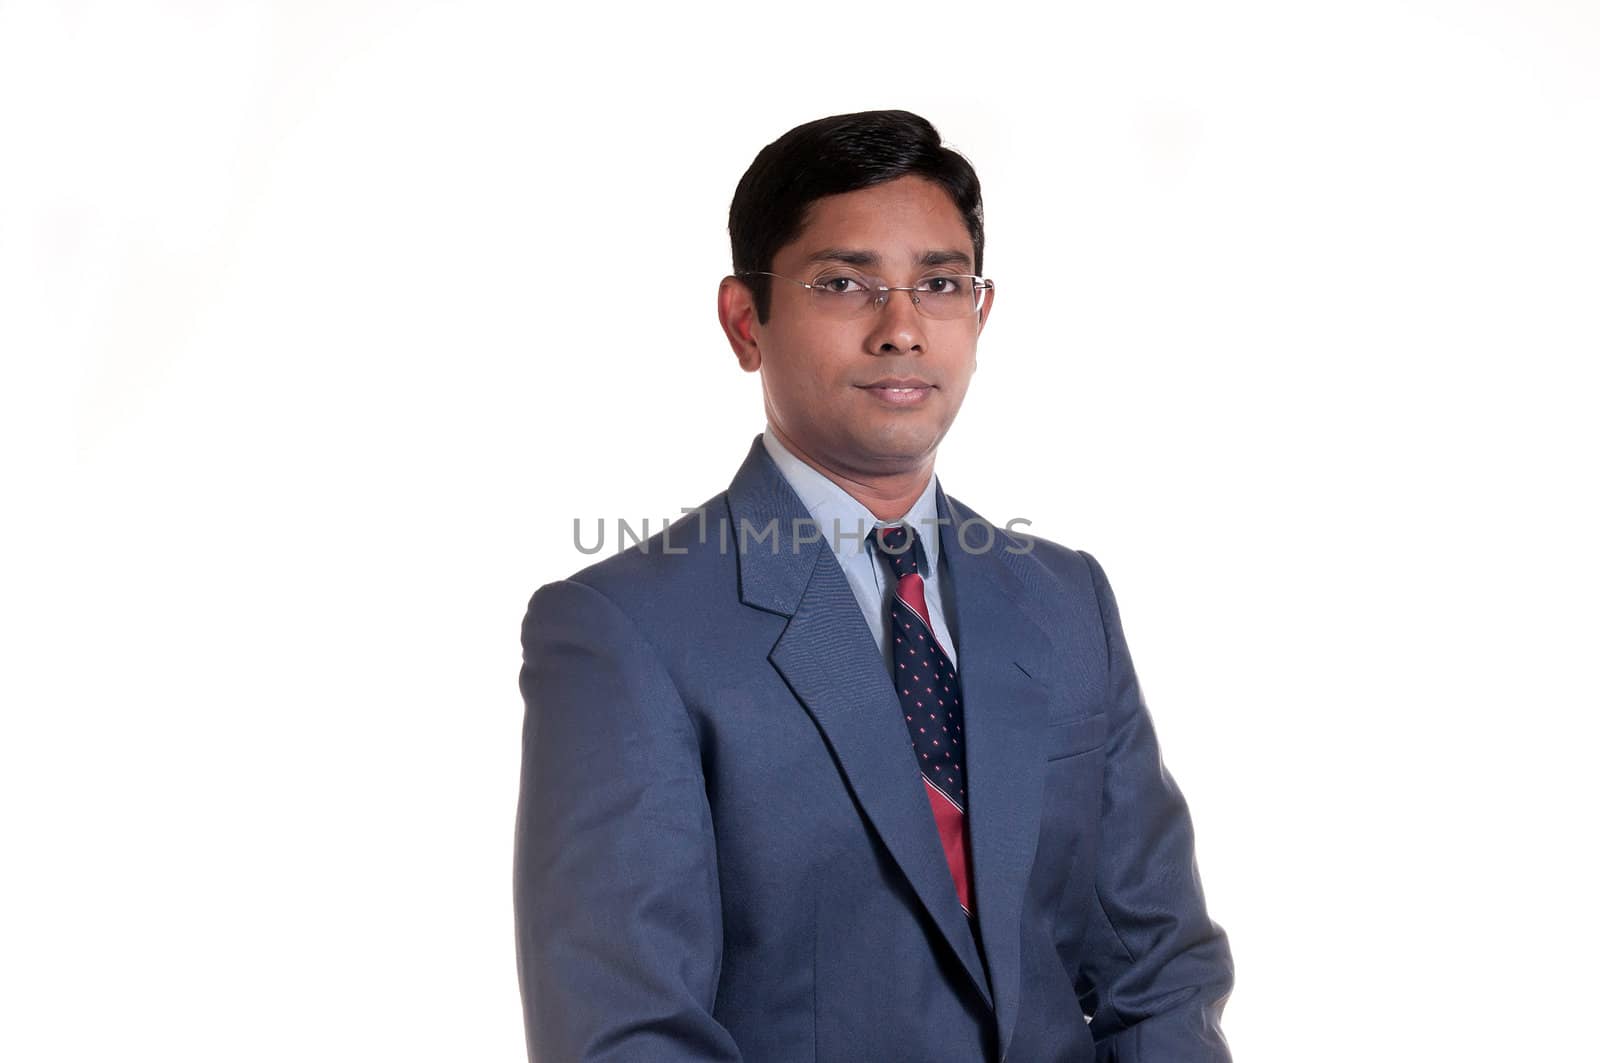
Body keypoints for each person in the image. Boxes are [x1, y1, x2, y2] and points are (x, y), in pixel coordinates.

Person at [514, 109, 1233, 1062]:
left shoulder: (1065, 602)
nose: (901, 328)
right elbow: (628, 1033)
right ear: (744, 321)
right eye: (845, 283)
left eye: (937, 284)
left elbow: (1160, 971)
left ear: (979, 315)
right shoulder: (623, 631)